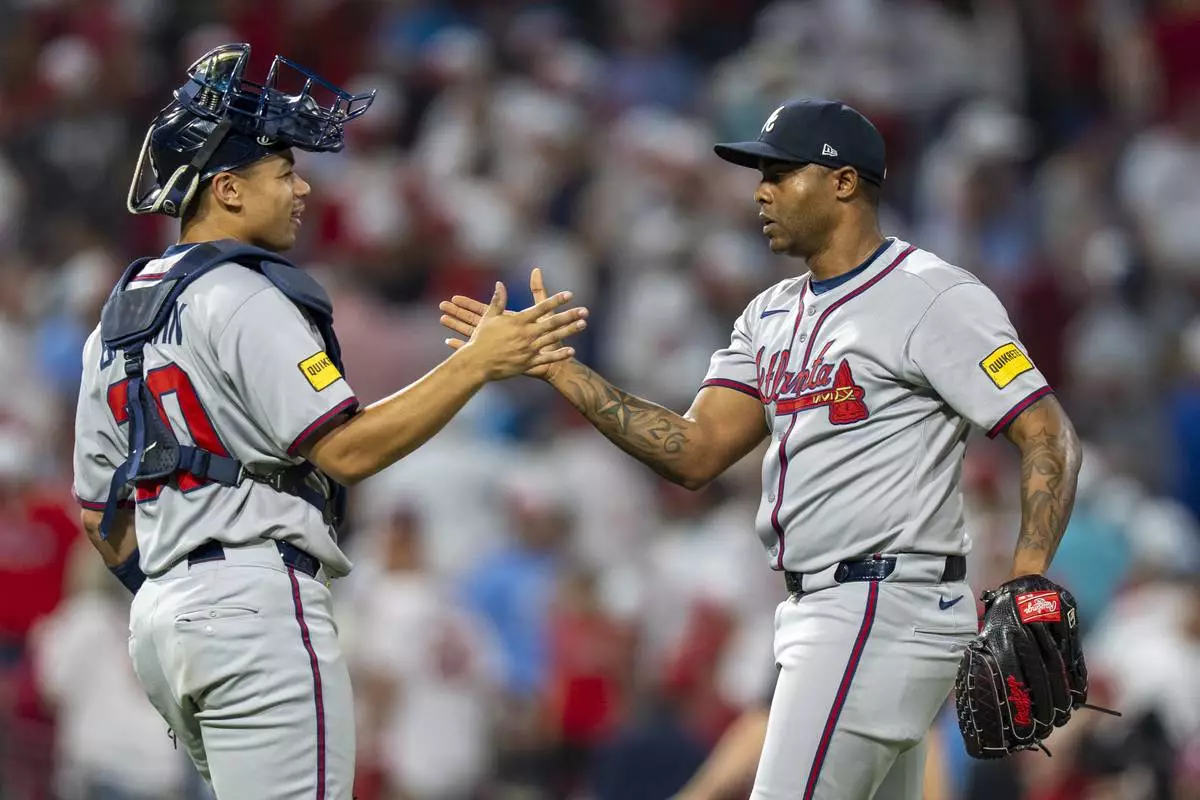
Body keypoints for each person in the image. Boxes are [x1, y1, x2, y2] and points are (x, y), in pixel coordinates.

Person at [439, 97, 1083, 799]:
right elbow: (695, 451)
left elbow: (1046, 431)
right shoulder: (769, 314)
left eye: (780, 173)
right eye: (760, 175)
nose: (761, 192)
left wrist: (1028, 579)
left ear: (843, 182)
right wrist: (562, 370)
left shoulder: (932, 296)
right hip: (831, 608)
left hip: (878, 603)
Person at [71, 44, 586, 800]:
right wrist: (477, 363)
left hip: (162, 621)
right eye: (283, 172)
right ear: (227, 190)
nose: (302, 187)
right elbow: (347, 449)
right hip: (255, 606)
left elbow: (99, 518)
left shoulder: (112, 325)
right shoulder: (243, 295)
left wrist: (183, 592)